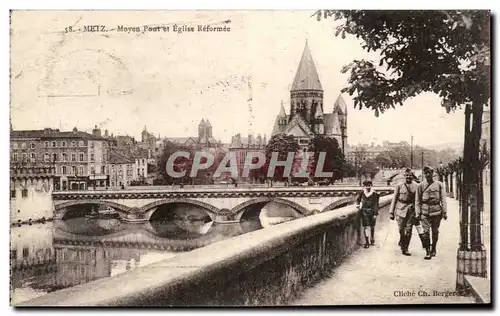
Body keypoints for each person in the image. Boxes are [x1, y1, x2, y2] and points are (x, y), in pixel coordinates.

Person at [415, 166, 447, 260]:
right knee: (425, 232)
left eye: (430, 172)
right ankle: (427, 251)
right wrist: (418, 213)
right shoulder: (420, 186)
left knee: (435, 232)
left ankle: (434, 248)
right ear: (424, 174)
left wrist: (445, 212)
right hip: (424, 211)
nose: (428, 175)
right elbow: (417, 201)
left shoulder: (439, 185)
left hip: (437, 211)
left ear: (433, 173)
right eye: (426, 173)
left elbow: (443, 199)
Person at [389, 168, 418, 256]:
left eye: (410, 175)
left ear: (412, 176)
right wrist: (391, 212)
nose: (408, 177)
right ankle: (402, 239)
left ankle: (405, 248)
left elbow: (418, 200)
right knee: (401, 229)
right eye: (407, 175)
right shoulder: (399, 185)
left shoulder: (416, 186)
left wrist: (418, 212)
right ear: (404, 176)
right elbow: (394, 199)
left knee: (409, 230)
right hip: (400, 209)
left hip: (411, 210)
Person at [356, 180, 380, 248]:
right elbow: (358, 199)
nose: (368, 187)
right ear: (364, 186)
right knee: (366, 226)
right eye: (366, 186)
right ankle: (367, 242)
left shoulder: (374, 194)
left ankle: (372, 239)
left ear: (371, 186)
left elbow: (376, 204)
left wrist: (375, 214)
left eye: (369, 185)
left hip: (372, 212)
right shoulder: (362, 192)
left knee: (372, 226)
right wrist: (358, 205)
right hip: (364, 212)